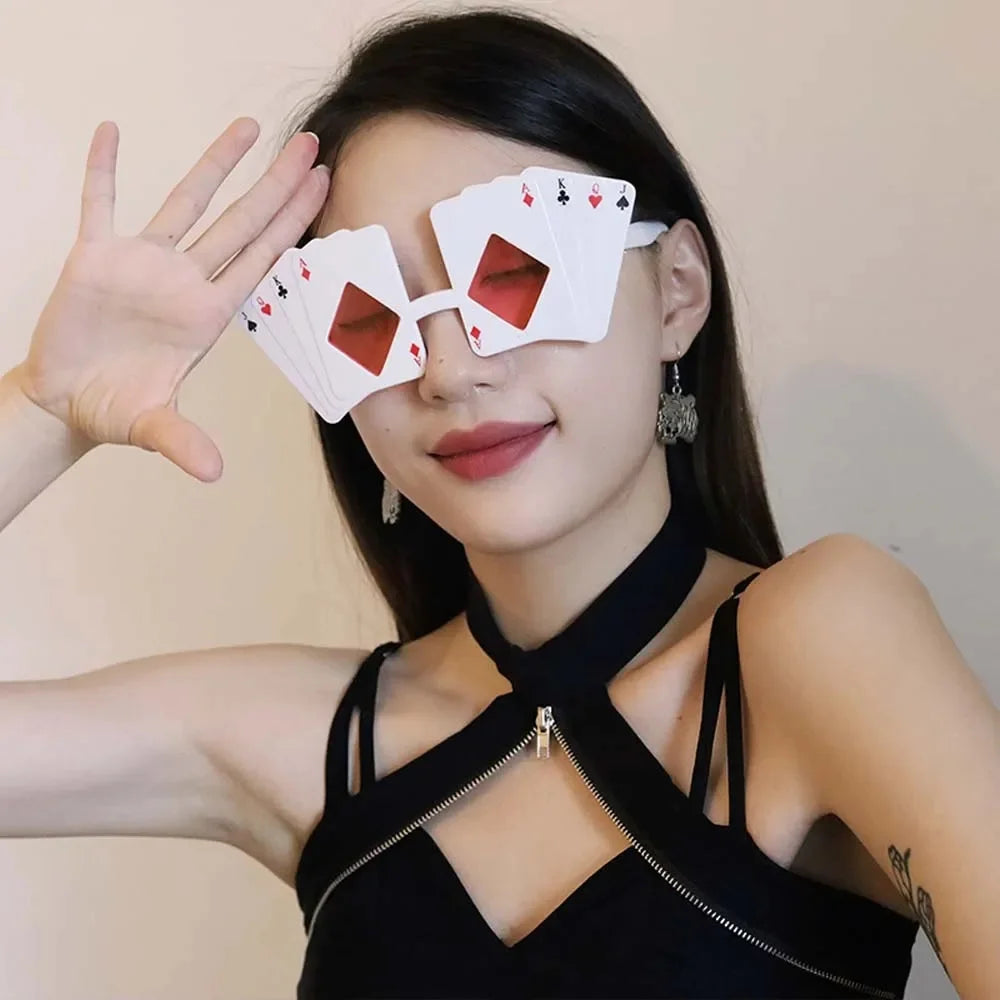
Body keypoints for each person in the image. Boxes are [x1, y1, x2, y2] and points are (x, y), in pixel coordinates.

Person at [1, 8, 997, 1000]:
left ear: (678, 291)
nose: (448, 369)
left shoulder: (818, 645)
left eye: (517, 272)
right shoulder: (320, 740)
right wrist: (45, 408)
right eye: (366, 315)